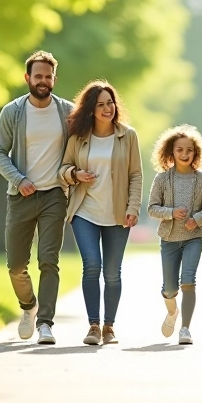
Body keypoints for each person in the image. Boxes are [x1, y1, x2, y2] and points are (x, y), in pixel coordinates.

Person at [0, 51, 73, 345]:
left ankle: (45, 323)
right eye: (37, 76)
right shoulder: (12, 112)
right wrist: (19, 179)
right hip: (21, 196)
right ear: (27, 78)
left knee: (49, 260)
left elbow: (83, 144)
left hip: (54, 194)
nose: (43, 81)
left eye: (48, 76)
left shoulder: (67, 112)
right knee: (16, 265)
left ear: (54, 79)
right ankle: (29, 307)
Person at [59, 80, 143, 346]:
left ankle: (109, 327)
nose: (108, 108)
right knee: (92, 265)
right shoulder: (78, 137)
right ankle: (93, 325)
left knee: (112, 273)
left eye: (111, 103)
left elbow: (136, 175)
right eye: (101, 104)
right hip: (85, 210)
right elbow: (63, 169)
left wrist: (133, 207)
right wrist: (75, 174)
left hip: (118, 214)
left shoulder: (128, 136)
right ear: (90, 109)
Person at [147, 125, 202, 345]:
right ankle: (172, 312)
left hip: (193, 238)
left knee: (188, 281)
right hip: (169, 239)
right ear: (171, 152)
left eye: (189, 150)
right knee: (169, 289)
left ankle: (185, 329)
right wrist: (170, 213)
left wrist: (196, 219)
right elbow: (151, 208)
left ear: (196, 152)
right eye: (179, 150)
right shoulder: (161, 179)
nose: (185, 154)